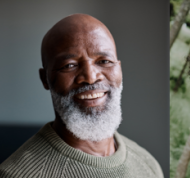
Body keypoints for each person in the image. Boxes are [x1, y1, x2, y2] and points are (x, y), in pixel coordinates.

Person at [0, 14, 162, 177]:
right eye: (69, 65)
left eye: (104, 61)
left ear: (119, 69)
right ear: (45, 79)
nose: (91, 77)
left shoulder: (148, 163)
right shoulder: (16, 175)